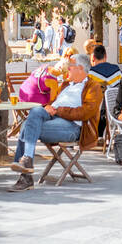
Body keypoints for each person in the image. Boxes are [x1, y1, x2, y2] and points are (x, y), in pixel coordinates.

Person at [11, 53, 104, 190]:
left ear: (80, 68)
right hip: (52, 117)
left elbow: (86, 112)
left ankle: (25, 172)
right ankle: (26, 163)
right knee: (35, 111)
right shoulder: (66, 84)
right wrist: (49, 106)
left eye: (70, 66)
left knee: (26, 126)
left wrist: (58, 110)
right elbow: (54, 102)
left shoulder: (92, 87)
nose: (67, 69)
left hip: (72, 127)